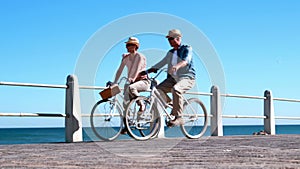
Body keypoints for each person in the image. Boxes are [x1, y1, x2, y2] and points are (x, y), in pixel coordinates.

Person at [141, 29, 196, 127]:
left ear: (178, 38)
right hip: (172, 79)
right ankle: (175, 106)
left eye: (171, 39)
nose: (169, 41)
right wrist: (147, 71)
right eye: (168, 39)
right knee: (157, 91)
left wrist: (177, 66)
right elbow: (161, 63)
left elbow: (185, 61)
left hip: (187, 77)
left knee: (176, 89)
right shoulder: (170, 52)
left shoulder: (187, 48)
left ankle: (179, 117)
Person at [112, 37, 150, 112]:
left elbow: (137, 69)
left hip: (143, 81)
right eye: (127, 45)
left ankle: (142, 105)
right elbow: (119, 70)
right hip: (131, 82)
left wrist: (132, 78)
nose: (127, 47)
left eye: (129, 45)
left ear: (135, 46)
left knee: (131, 88)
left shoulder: (140, 56)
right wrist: (115, 82)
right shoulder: (126, 58)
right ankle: (128, 119)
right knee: (125, 101)